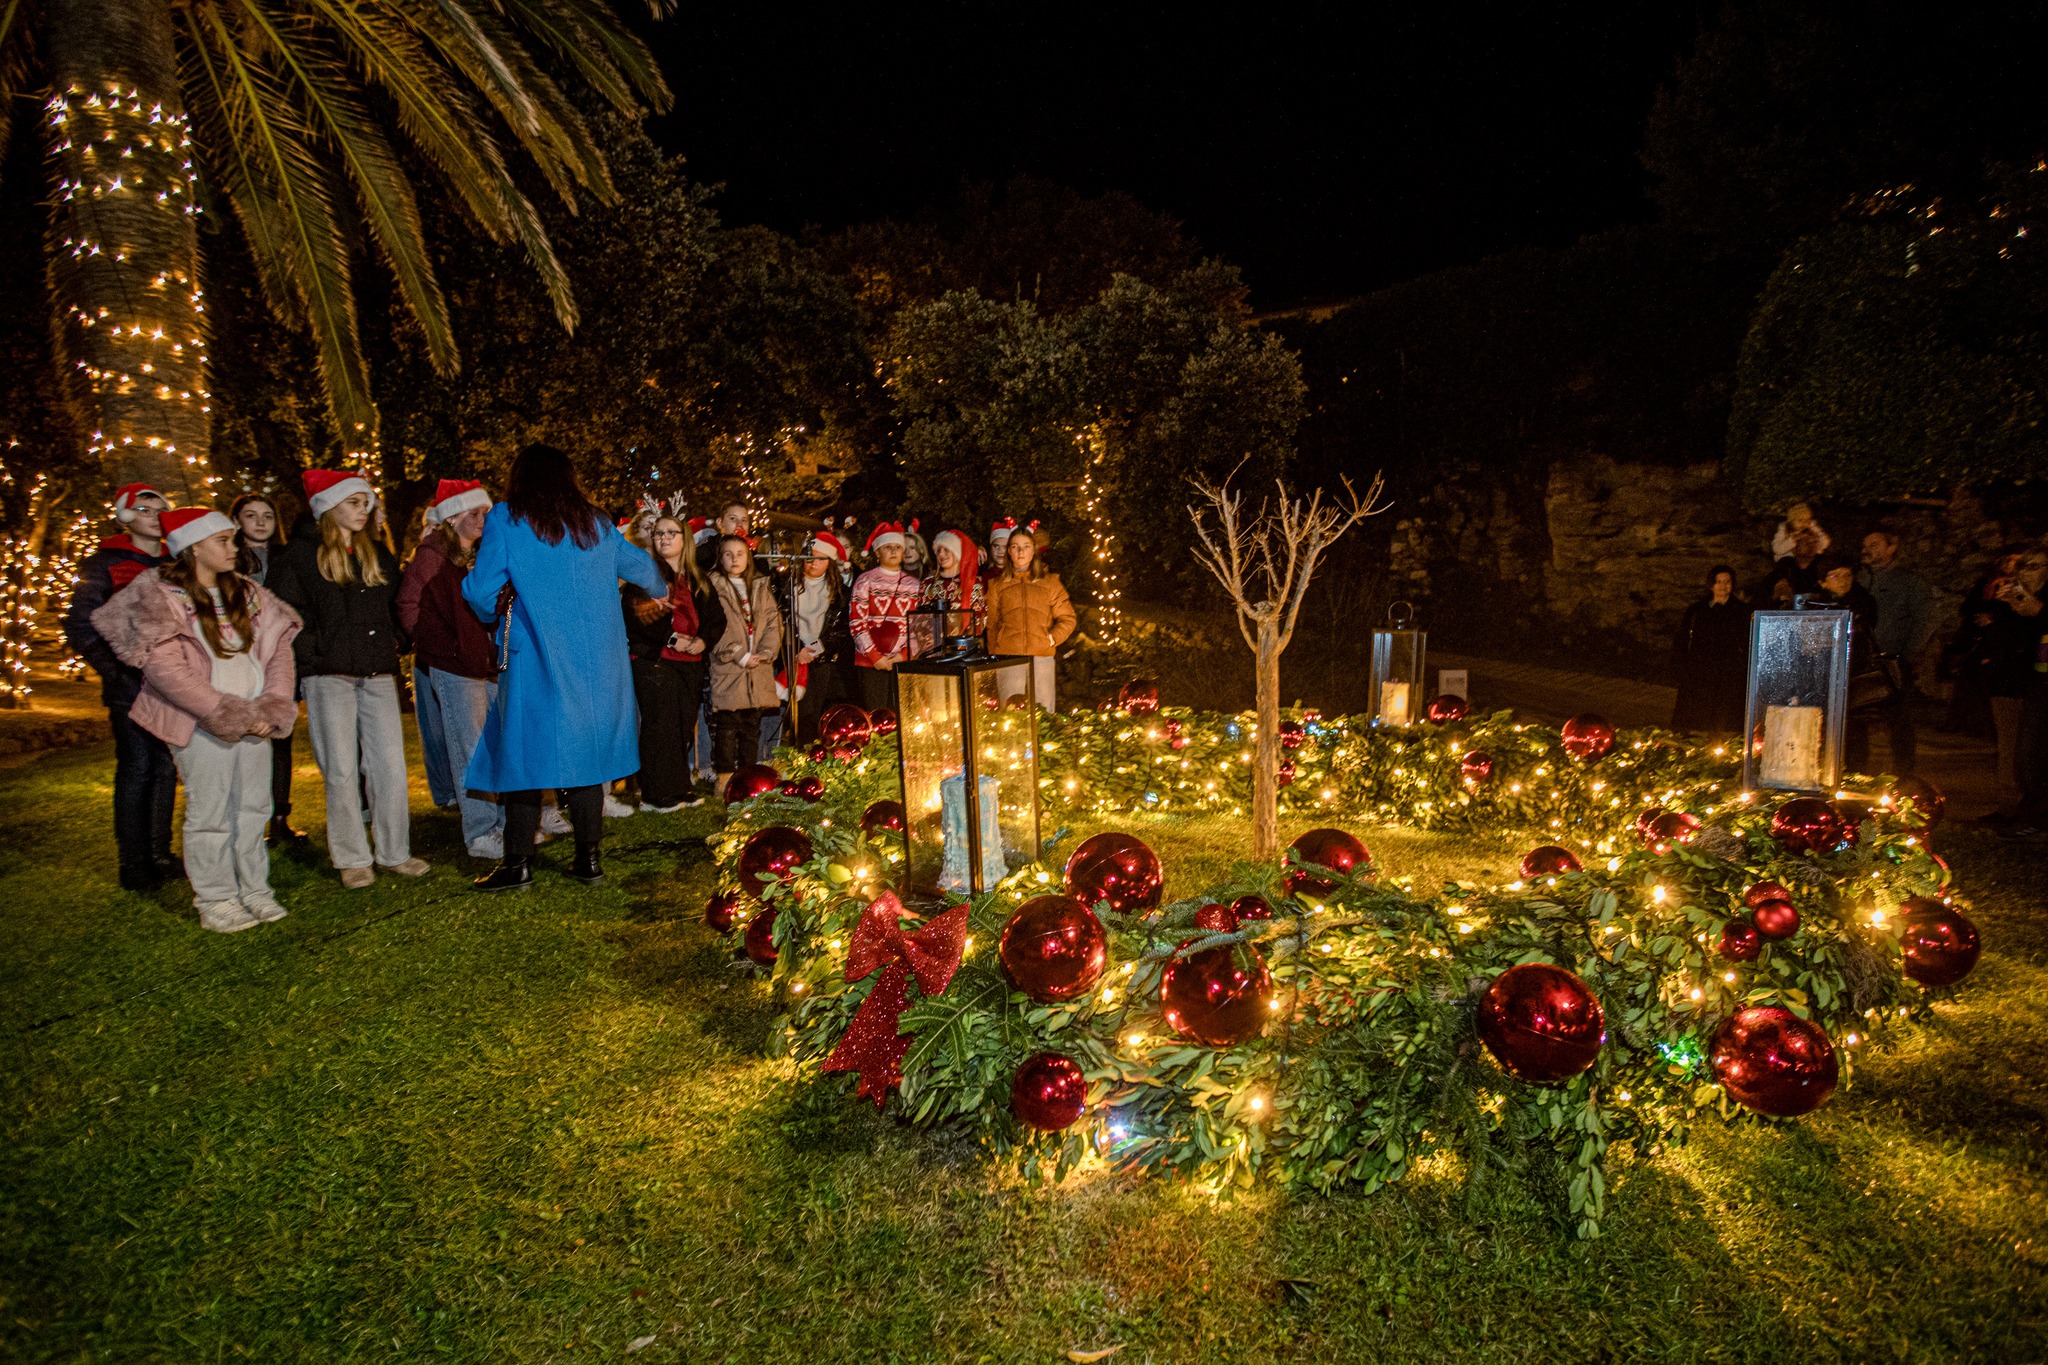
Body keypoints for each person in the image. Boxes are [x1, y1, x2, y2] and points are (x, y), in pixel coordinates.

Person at [463, 443, 667, 890]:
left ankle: (517, 863)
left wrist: (482, 601)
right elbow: (649, 572)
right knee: (586, 757)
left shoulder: (506, 518)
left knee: (523, 756)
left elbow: (481, 590)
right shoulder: (596, 522)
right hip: (598, 661)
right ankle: (588, 858)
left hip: (536, 655)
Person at [91, 509, 302, 931]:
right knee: (211, 811)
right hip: (201, 721)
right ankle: (216, 898)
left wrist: (273, 704)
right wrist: (220, 711)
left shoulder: (248, 593)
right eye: (223, 540)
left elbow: (279, 651)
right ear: (192, 547)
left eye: (232, 539)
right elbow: (164, 669)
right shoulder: (160, 595)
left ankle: (254, 889)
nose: (234, 547)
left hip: (256, 718)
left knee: (253, 806)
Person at [268, 469, 428, 889]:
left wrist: (395, 640)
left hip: (376, 671)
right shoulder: (300, 556)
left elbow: (396, 605)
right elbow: (285, 615)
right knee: (339, 766)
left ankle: (395, 851)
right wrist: (315, 654)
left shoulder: (376, 554)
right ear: (328, 506)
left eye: (366, 502)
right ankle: (352, 857)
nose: (363, 509)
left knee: (389, 764)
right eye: (353, 502)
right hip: (328, 675)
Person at [64, 483, 178, 891]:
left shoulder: (177, 561)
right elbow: (81, 624)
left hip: (174, 684)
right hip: (131, 685)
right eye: (143, 508)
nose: (153, 514)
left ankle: (161, 852)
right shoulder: (103, 563)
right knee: (137, 767)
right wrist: (115, 672)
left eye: (159, 507)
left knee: (166, 768)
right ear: (125, 516)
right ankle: (134, 861)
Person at [398, 479, 506, 860]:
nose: (482, 519)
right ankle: (480, 832)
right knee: (470, 748)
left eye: (485, 513)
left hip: (483, 664)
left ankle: (503, 824)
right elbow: (410, 608)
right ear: (453, 517)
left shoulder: (475, 558)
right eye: (474, 513)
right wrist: (444, 650)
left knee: (493, 744)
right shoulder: (431, 558)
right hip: (455, 666)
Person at [230, 492, 309, 849]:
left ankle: (280, 818)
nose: (260, 522)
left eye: (267, 516)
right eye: (251, 515)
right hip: (239, 661)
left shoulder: (287, 557)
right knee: (243, 738)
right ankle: (243, 818)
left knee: (280, 740)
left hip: (280, 660)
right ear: (236, 522)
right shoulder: (227, 560)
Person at [625, 515, 717, 810]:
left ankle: (678, 787)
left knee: (681, 725)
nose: (663, 538)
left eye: (670, 533)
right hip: (655, 660)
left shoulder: (697, 577)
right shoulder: (645, 574)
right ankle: (654, 794)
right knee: (659, 724)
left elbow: (717, 618)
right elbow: (635, 613)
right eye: (658, 533)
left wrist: (703, 640)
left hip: (689, 662)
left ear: (684, 538)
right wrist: (670, 637)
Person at [706, 534, 782, 799]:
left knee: (752, 724)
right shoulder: (714, 585)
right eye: (728, 554)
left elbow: (772, 621)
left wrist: (767, 650)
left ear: (748, 557)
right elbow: (714, 624)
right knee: (727, 725)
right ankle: (725, 775)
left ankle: (749, 774)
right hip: (730, 667)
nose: (734, 559)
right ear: (720, 557)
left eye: (740, 553)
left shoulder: (760, 585)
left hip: (757, 667)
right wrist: (737, 654)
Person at [1857, 528, 1933, 773]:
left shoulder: (1909, 582)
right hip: (1860, 662)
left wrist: (1907, 654)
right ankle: (1857, 772)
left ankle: (1903, 774)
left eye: (1875, 544)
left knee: (1898, 720)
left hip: (1893, 662)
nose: (1868, 549)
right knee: (1857, 721)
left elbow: (1925, 621)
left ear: (1892, 548)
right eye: (1866, 545)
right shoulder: (1857, 580)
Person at [1808, 556, 1889, 773]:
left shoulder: (1863, 602)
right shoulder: (1814, 604)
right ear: (1823, 581)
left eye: (1847, 575)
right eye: (1836, 576)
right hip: (1823, 675)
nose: (1844, 581)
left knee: (1855, 729)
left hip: (1855, 673)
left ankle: (1855, 772)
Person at [985, 521, 1076, 710]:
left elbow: (1068, 618)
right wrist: (996, 651)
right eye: (1015, 547)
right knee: (1010, 714)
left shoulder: (1049, 583)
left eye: (1026, 547)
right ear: (1009, 551)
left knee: (1043, 710)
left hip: (1041, 657)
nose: (1020, 552)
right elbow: (991, 624)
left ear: (1033, 551)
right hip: (1009, 658)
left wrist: (1052, 639)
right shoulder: (997, 585)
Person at [782, 530, 854, 742]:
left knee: (815, 709)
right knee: (797, 708)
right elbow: (781, 621)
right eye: (809, 557)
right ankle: (794, 750)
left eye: (820, 559)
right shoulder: (788, 586)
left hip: (821, 656)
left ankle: (813, 750)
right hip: (794, 654)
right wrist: (797, 649)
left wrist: (816, 647)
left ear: (829, 562)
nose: (813, 563)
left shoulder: (839, 591)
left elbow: (841, 627)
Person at [1997, 551, 2048, 839]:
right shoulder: (2026, 600)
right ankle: (2030, 814)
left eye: (2033, 566)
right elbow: (2015, 640)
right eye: (2021, 567)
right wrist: (2008, 608)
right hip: (2037, 683)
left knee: (2035, 753)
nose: (2024, 573)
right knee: (2028, 754)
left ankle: (2038, 819)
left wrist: (2037, 610)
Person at [1669, 566, 1753, 733]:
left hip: (1729, 676)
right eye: (1718, 582)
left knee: (1726, 721)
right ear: (1711, 584)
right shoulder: (1696, 611)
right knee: (1696, 721)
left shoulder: (1742, 611)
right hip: (1699, 674)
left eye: (1727, 582)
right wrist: (1682, 668)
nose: (1723, 586)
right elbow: (1682, 640)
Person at [849, 522, 921, 714]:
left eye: (897, 547)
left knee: (902, 714)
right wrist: (875, 657)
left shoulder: (914, 585)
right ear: (877, 552)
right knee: (875, 714)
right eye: (887, 547)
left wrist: (904, 655)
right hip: (871, 662)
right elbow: (857, 621)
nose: (893, 551)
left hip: (901, 661)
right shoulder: (866, 580)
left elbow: (918, 626)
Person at [916, 528, 987, 636]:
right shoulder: (928, 585)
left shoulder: (975, 584)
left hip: (965, 649)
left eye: (946, 549)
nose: (941, 554)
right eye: (938, 550)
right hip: (934, 649)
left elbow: (980, 620)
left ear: (957, 552)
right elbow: (920, 621)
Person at [1761, 528, 1825, 606]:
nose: (1810, 545)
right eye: (1805, 541)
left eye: (1814, 542)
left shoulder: (1824, 570)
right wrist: (1776, 596)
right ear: (1794, 548)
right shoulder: (1781, 572)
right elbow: (1761, 601)